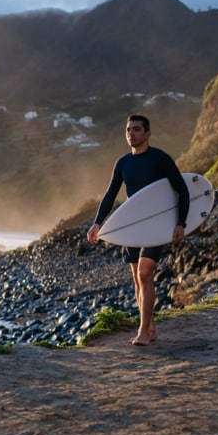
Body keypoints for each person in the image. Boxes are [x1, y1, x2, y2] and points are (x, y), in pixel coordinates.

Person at [87, 114, 189, 346]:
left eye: (136, 129)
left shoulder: (160, 159)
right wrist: (97, 223)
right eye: (128, 130)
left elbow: (183, 190)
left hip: (156, 224)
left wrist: (180, 223)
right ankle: (150, 327)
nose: (131, 134)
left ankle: (143, 331)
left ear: (147, 134)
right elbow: (110, 194)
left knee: (145, 273)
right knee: (136, 277)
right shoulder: (123, 163)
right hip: (133, 225)